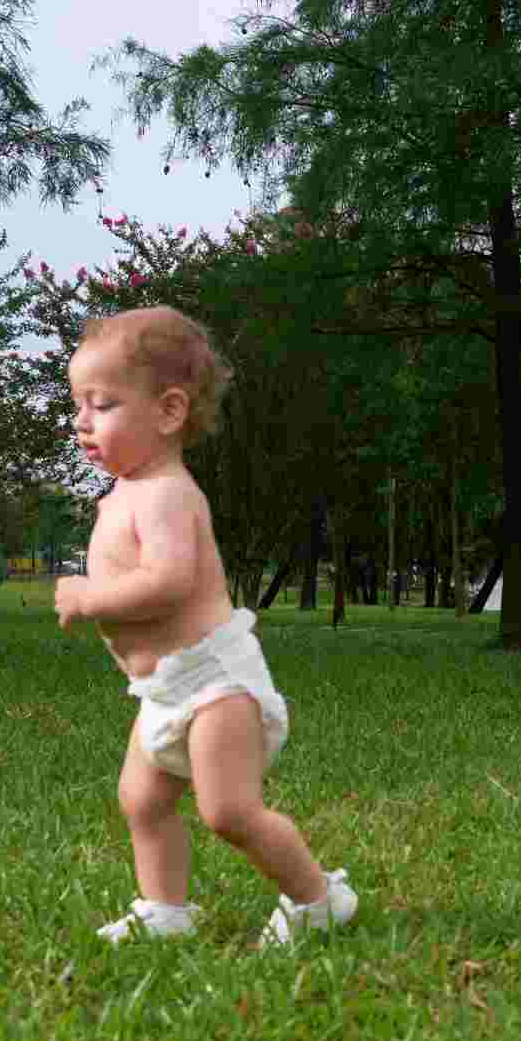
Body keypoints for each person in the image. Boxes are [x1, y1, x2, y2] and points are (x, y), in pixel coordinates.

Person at [56, 306, 357, 946]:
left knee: (228, 811)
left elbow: (168, 583)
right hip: (163, 688)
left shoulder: (167, 492)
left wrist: (90, 597)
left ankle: (317, 898)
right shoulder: (126, 493)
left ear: (169, 411)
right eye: (78, 404)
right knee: (142, 800)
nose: (81, 421)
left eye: (101, 405)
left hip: (213, 680)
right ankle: (165, 908)